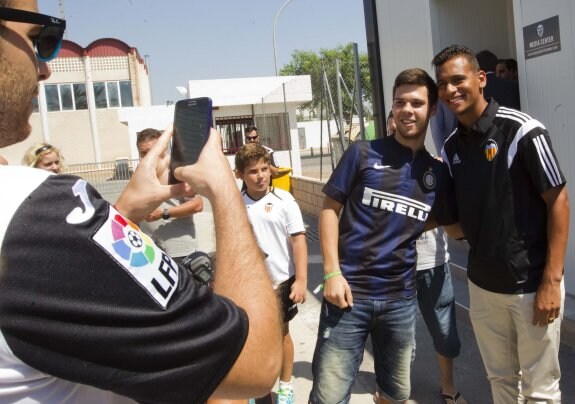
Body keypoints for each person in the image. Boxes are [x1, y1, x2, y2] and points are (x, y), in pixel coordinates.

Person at [0, 2, 282, 403]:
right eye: (39, 39)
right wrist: (222, 189)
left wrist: (124, 210)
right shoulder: (35, 213)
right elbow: (254, 364)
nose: (46, 67)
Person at [308, 68, 457, 404]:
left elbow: (447, 221)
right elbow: (330, 209)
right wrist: (331, 272)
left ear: (432, 109)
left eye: (417, 103)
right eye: (400, 102)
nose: (407, 109)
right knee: (328, 396)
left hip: (401, 302)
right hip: (348, 297)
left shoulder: (436, 173)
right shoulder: (362, 153)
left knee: (395, 394)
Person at [432, 44, 569, 403]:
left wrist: (552, 281)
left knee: (540, 390)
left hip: (531, 285)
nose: (450, 90)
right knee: (501, 380)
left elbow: (559, 201)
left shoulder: (523, 131)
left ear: (480, 80)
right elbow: (457, 225)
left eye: (458, 80)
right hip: (483, 288)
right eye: (443, 84)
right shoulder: (450, 149)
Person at [234, 143, 308, 404]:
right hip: (251, 286)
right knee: (254, 340)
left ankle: (286, 386)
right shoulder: (237, 205)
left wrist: (301, 280)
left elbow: (298, 240)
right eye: (253, 171)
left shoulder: (284, 199)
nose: (261, 176)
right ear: (240, 174)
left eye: (264, 169)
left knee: (281, 335)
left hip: (282, 282)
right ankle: (261, 389)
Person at [136, 128, 203, 263]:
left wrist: (163, 213)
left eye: (153, 152)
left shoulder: (177, 172)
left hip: (180, 253)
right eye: (144, 153)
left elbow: (197, 205)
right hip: (152, 255)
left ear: (163, 149)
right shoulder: (138, 176)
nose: (148, 157)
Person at [415, 228, 466, 404]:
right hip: (394, 261)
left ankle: (448, 384)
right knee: (391, 329)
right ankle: (387, 386)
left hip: (434, 262)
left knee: (446, 333)